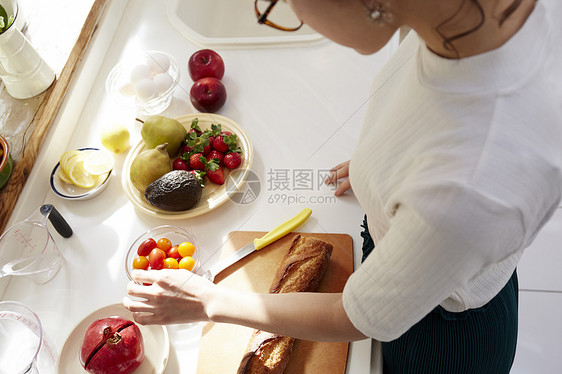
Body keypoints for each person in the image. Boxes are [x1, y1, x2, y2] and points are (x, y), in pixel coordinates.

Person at [123, 0, 562, 372]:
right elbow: (430, 111)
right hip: (438, 257)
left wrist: (209, 302)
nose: (291, 13)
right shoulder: (458, 16)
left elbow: (353, 316)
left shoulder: (465, 187)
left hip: (439, 335)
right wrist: (390, 166)